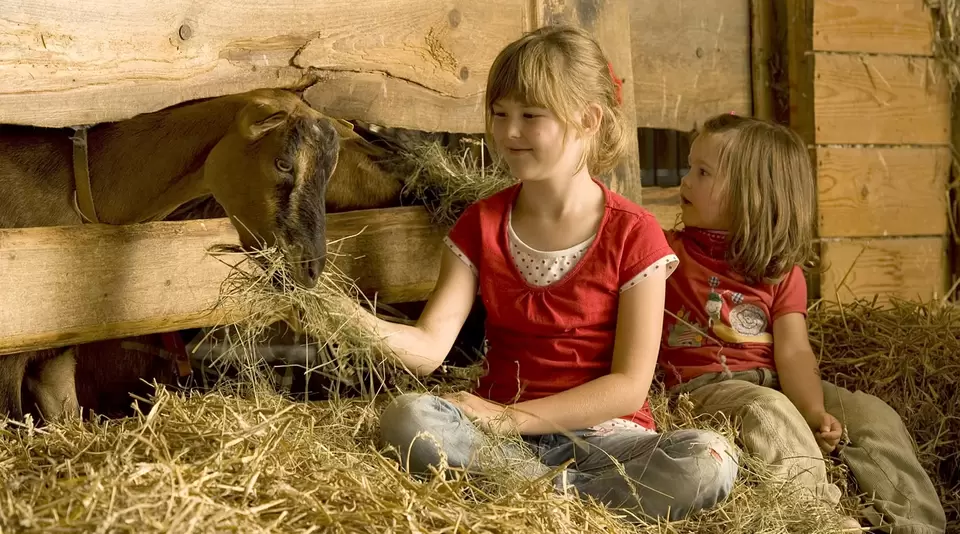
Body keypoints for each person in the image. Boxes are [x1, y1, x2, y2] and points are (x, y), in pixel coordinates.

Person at [345, 25, 738, 522]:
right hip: (499, 441)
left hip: (606, 440)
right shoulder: (481, 223)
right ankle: (571, 500)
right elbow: (428, 347)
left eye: (531, 116)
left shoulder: (635, 234)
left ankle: (531, 497)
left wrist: (512, 419)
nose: (509, 132)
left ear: (589, 119)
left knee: (710, 461)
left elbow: (629, 386)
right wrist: (344, 316)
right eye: (500, 113)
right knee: (409, 418)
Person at [659, 112, 946, 533]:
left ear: (753, 196)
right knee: (769, 410)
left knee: (871, 413)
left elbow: (793, 351)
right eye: (689, 167)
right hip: (703, 389)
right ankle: (823, 522)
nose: (685, 181)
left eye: (702, 172)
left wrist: (814, 411)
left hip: (774, 382)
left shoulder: (781, 272)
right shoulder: (668, 251)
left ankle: (915, 523)